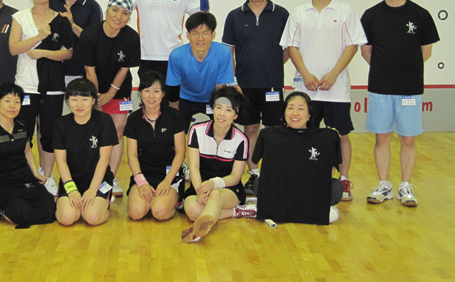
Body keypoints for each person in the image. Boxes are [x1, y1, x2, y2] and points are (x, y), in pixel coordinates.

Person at [280, 0, 366, 202]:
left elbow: (352, 46)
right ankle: (303, 177)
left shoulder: (346, 11)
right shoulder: (298, 12)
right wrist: (306, 74)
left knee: (340, 135)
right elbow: (292, 46)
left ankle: (344, 179)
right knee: (302, 134)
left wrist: (334, 74)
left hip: (336, 89)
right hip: (305, 89)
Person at [360, 0, 439, 207]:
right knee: (382, 138)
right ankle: (384, 186)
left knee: (408, 139)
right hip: (380, 88)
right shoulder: (371, 15)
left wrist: (405, 71)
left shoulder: (420, 14)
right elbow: (366, 51)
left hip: (410, 89)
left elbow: (426, 51)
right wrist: (386, 71)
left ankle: (405, 186)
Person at [222, 0, 290, 195]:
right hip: (244, 86)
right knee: (250, 128)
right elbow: (229, 52)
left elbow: (288, 49)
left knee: (273, 130)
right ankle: (254, 173)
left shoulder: (282, 14)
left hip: (272, 85)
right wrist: (233, 82)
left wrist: (271, 67)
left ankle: (272, 171)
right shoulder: (234, 16)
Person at [9, 0, 74, 196]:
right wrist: (38, 36)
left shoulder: (61, 20)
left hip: (53, 86)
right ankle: (28, 176)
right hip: (26, 86)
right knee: (24, 134)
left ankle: (47, 176)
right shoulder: (20, 17)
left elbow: (68, 53)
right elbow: (14, 48)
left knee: (49, 134)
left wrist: (44, 52)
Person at [75, 0, 140, 196]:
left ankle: (111, 178)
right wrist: (96, 98)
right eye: (115, 10)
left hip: (119, 90)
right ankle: (92, 176)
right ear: (107, 10)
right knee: (95, 131)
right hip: (92, 88)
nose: (119, 16)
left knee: (118, 130)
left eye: (125, 13)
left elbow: (124, 70)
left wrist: (110, 94)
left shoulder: (131, 37)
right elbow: (90, 70)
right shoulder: (90, 34)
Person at [0, 83, 56, 228]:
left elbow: (27, 151)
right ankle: (2, 210)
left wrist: (36, 174)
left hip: (24, 178)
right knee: (20, 212)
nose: (12, 106)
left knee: (49, 207)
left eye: (17, 102)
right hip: (2, 183)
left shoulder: (22, 126)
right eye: (7, 101)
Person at [252, 91, 342, 225]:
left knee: (336, 188)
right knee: (258, 184)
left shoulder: (325, 138)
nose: (295, 113)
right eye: (290, 108)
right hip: (281, 194)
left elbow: (330, 172)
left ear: (309, 115)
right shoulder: (268, 135)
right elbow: (261, 167)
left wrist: (332, 140)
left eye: (300, 109)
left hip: (310, 195)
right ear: (284, 113)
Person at [181, 87, 255, 243]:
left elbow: (235, 177)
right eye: (219, 107)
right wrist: (200, 190)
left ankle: (197, 232)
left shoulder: (241, 139)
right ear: (212, 109)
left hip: (228, 189)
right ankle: (236, 212)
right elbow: (194, 166)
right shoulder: (196, 130)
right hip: (200, 185)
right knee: (192, 210)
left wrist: (213, 184)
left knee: (215, 195)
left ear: (235, 115)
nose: (222, 114)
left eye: (228, 110)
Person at [53, 78, 118, 226]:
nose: (79, 104)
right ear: (68, 101)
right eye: (74, 99)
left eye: (84, 99)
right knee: (67, 218)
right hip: (71, 180)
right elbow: (60, 160)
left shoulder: (104, 120)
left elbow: (104, 158)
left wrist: (93, 190)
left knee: (92, 217)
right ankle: (65, 201)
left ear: (93, 100)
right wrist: (71, 189)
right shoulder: (60, 123)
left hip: (99, 182)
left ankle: (105, 200)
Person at [124, 71, 187, 221]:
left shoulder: (175, 116)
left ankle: (173, 201)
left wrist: (168, 180)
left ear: (163, 94)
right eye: (147, 91)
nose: (151, 96)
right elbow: (131, 155)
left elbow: (180, 152)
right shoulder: (133, 119)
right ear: (140, 93)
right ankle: (149, 199)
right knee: (136, 213)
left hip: (169, 175)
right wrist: (141, 182)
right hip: (143, 174)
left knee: (159, 212)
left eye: (156, 91)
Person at [166, 12, 236, 123]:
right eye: (195, 33)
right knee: (178, 128)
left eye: (205, 33)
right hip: (185, 97)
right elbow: (173, 87)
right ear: (188, 35)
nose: (200, 38)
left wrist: (219, 110)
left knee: (221, 126)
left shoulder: (223, 52)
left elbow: (220, 87)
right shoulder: (177, 55)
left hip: (213, 98)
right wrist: (174, 112)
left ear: (213, 34)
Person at [50, 0, 103, 85]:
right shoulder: (50, 1)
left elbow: (96, 43)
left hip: (80, 73)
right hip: (50, 70)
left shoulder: (93, 7)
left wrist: (73, 25)